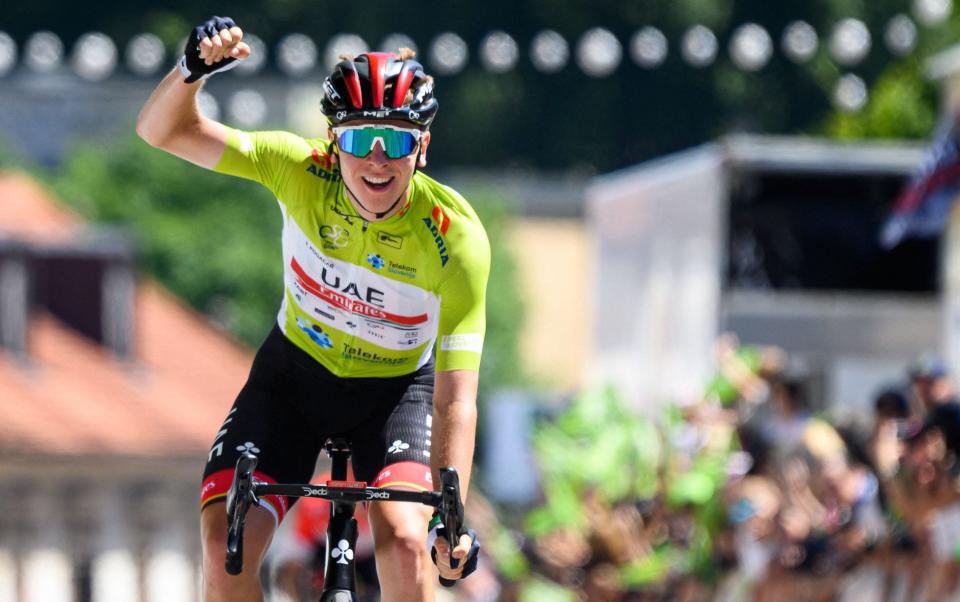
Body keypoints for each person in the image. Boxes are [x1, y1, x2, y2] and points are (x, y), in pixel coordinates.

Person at [136, 16, 488, 601]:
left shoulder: (457, 239)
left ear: (422, 148)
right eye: (358, 140)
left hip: (396, 393)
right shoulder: (296, 169)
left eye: (396, 140)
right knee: (225, 538)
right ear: (332, 142)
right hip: (293, 379)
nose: (376, 160)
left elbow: (459, 395)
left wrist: (449, 520)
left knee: (404, 543)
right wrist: (193, 71)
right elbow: (161, 132)